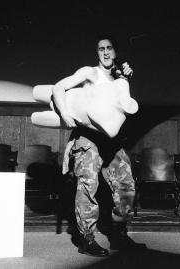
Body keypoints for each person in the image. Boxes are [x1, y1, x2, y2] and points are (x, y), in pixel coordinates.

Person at [52, 34, 146, 257]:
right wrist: (65, 112)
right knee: (88, 185)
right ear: (97, 52)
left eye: (110, 48)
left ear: (116, 52)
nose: (105, 52)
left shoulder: (120, 79)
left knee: (126, 186)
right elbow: (58, 87)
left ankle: (120, 235)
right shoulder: (89, 73)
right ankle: (86, 238)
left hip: (111, 140)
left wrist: (125, 79)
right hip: (88, 137)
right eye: (101, 48)